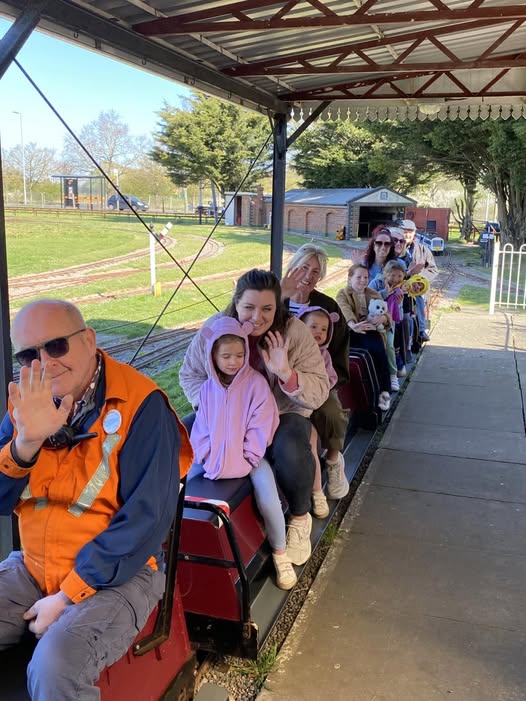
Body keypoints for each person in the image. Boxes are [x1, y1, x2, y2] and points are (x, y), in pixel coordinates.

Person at [0, 299, 192, 701]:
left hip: (118, 574)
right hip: (34, 566)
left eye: (56, 346)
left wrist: (67, 595)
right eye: (28, 355)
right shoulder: (27, 406)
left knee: (56, 666)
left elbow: (144, 522)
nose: (45, 363)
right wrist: (25, 444)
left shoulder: (142, 407)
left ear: (89, 341)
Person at [180, 269, 330, 567]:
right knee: (182, 434)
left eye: (267, 309)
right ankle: (174, 520)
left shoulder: (295, 333)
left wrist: (286, 373)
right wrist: (214, 405)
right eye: (249, 307)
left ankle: (299, 517)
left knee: (291, 444)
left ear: (277, 308)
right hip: (227, 415)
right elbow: (190, 374)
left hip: (283, 412)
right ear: (236, 303)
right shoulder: (215, 329)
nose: (257, 317)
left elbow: (320, 389)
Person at [189, 316, 296, 590]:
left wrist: (249, 456)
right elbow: (201, 427)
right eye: (226, 356)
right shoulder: (207, 389)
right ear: (213, 356)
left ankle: (280, 552)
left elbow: (263, 422)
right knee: (180, 483)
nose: (233, 361)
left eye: (239, 355)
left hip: (251, 459)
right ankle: (171, 543)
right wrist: (204, 453)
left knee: (268, 498)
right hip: (213, 457)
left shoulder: (256, 384)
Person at [281, 244, 350, 501]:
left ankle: (333, 459)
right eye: (304, 268)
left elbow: (339, 351)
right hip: (278, 379)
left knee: (331, 412)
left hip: (317, 379)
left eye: (315, 272)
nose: (308, 276)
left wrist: (329, 384)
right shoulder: (277, 301)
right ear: (292, 268)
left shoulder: (327, 307)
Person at [297, 306, 340, 519]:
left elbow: (331, 379)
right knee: (310, 440)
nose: (318, 333)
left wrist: (319, 390)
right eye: (313, 327)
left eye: (323, 329)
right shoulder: (293, 352)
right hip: (297, 404)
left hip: (317, 399)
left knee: (333, 416)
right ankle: (316, 491)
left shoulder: (324, 355)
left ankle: (333, 463)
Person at [336, 264, 392, 412]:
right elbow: (344, 308)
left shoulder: (373, 293)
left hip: (371, 331)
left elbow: (387, 313)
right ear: (350, 278)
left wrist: (383, 319)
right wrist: (352, 324)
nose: (363, 281)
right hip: (352, 332)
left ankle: (384, 393)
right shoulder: (343, 294)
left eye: (366, 277)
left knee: (380, 357)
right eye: (359, 277)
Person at [398, 220, 438, 342]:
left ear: (414, 233)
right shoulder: (395, 248)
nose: (407, 235)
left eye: (410, 232)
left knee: (420, 298)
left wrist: (419, 278)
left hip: (417, 288)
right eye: (405, 232)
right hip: (399, 286)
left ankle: (421, 329)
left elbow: (433, 270)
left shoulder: (423, 250)